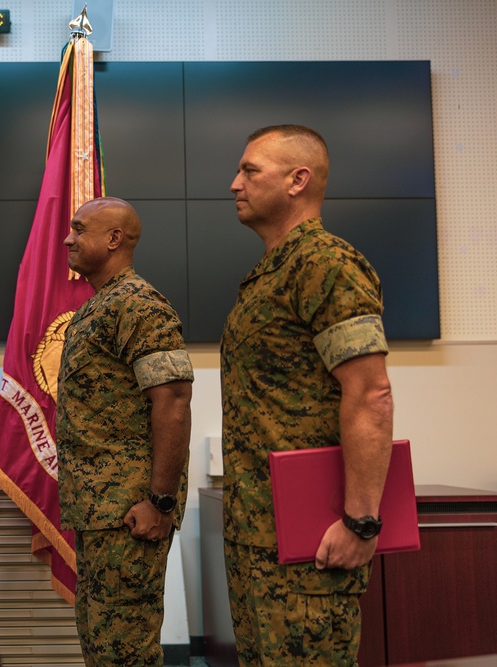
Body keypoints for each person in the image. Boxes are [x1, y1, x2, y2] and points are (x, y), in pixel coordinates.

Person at [222, 125, 395, 665]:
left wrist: (361, 522)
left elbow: (371, 395)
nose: (234, 183)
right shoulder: (271, 273)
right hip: (258, 535)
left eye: (250, 171)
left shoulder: (327, 265)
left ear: (298, 180)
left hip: (311, 543)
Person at [56, 196, 194, 666]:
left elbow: (172, 401)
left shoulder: (138, 304)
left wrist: (159, 502)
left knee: (126, 652)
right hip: (102, 512)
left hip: (131, 514)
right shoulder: (99, 306)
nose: (67, 238)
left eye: (79, 229)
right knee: (102, 646)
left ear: (114, 239)